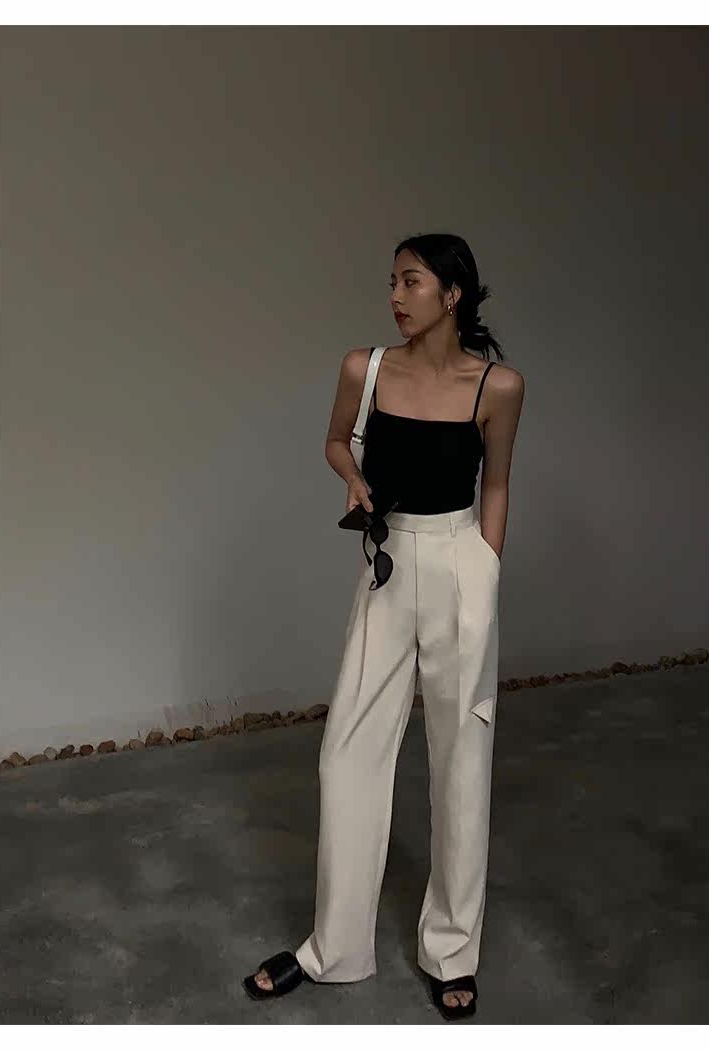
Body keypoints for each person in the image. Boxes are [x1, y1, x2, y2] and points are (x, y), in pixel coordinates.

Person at [244, 233, 525, 1020]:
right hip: (388, 564)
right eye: (392, 282)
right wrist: (355, 479)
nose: (395, 297)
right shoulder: (364, 369)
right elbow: (336, 441)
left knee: (461, 759)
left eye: (411, 282)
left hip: (460, 562)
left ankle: (452, 952)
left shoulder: (497, 385)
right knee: (347, 755)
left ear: (453, 294)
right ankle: (333, 949)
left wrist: (486, 570)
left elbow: (497, 485)